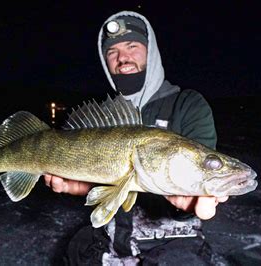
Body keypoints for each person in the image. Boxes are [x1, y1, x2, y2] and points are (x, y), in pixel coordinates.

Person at [44, 11, 228, 264]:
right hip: (111, 235)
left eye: (132, 46)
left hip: (173, 239)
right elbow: (115, 181)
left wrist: (186, 203)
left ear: (151, 52)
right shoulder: (103, 117)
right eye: (112, 52)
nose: (122, 58)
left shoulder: (187, 104)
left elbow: (195, 178)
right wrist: (73, 186)